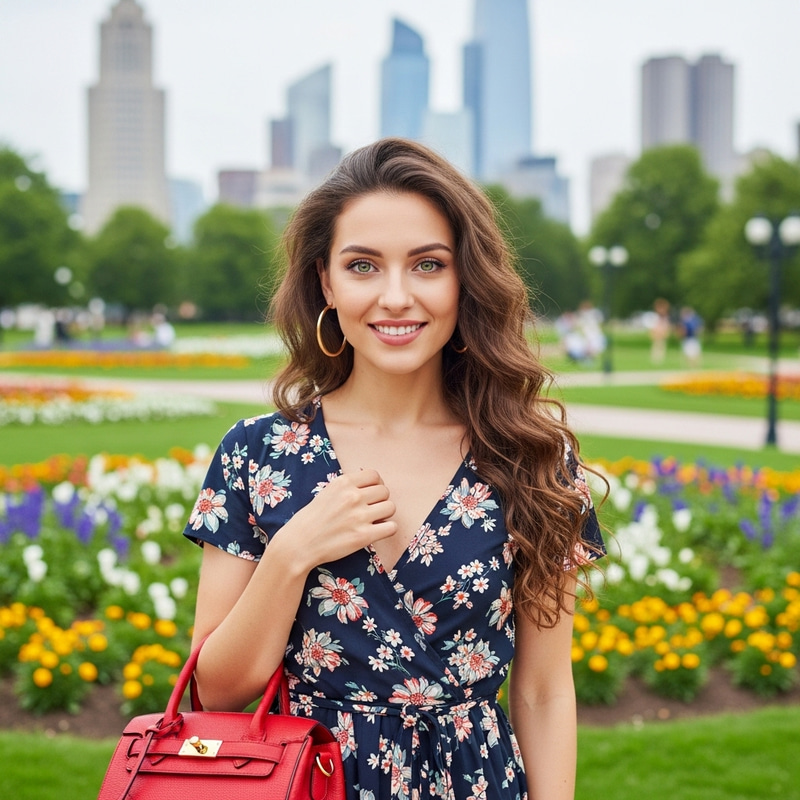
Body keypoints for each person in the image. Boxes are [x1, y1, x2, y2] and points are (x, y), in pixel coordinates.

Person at [184, 138, 604, 800]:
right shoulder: (256, 454)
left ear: (464, 278)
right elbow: (215, 689)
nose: (397, 296)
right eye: (364, 266)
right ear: (326, 280)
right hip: (311, 783)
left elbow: (546, 690)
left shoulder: (534, 459)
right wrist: (292, 553)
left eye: (428, 265)